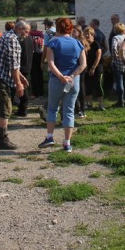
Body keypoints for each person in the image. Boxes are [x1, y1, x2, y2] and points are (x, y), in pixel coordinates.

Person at [38, 18, 86, 153]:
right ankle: (67, 143)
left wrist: (60, 76)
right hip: (73, 81)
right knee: (69, 110)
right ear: (70, 29)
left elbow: (51, 63)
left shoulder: (53, 43)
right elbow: (83, 65)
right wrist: (72, 76)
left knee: (52, 108)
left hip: (56, 80)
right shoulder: (77, 43)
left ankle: (50, 137)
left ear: (58, 28)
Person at [0, 20, 28, 150]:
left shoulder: (6, 35)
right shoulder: (12, 40)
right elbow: (13, 65)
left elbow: (10, 63)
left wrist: (21, 77)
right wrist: (18, 84)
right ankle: (2, 139)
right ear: (19, 29)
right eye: (26, 32)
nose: (27, 35)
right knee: (5, 107)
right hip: (0, 77)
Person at [14, 19, 33, 117]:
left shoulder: (21, 38)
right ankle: (21, 108)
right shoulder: (29, 37)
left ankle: (23, 109)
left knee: (23, 89)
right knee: (22, 87)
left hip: (22, 65)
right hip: (27, 64)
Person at [83, 26, 105, 111]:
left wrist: (93, 67)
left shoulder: (96, 44)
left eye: (88, 34)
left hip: (97, 67)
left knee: (98, 85)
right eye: (85, 34)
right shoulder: (84, 45)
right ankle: (89, 103)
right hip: (87, 67)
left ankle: (101, 104)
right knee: (87, 85)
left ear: (92, 35)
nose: (87, 35)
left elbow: (98, 57)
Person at [72, 24, 89, 118]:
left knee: (79, 89)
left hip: (80, 67)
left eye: (74, 31)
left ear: (79, 32)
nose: (72, 33)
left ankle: (80, 110)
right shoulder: (76, 41)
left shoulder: (79, 42)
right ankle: (80, 109)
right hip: (79, 66)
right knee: (79, 88)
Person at [111, 22, 125, 107]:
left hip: (118, 61)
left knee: (119, 81)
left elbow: (113, 48)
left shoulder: (116, 38)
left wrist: (115, 56)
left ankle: (120, 101)